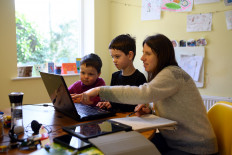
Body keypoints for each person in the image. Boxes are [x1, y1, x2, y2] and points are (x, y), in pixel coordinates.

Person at [72, 34, 218, 154]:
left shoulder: (172, 73)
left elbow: (142, 93)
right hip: (176, 142)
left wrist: (98, 90)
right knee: (133, 147)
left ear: (161, 55)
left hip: (196, 149)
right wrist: (152, 110)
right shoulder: (162, 75)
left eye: (147, 53)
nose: (142, 58)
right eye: (143, 53)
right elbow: (174, 109)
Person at [97, 34, 147, 112]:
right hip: (115, 121)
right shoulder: (115, 76)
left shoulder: (140, 78)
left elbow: (140, 105)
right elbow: (113, 101)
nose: (114, 60)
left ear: (130, 55)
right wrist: (107, 103)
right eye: (112, 57)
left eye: (117, 56)